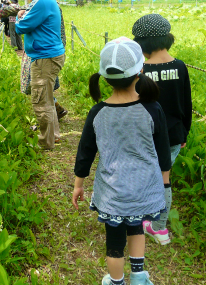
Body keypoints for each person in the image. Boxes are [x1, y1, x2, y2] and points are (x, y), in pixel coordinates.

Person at [72, 37, 171, 285]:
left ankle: (116, 281)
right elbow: (162, 152)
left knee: (114, 243)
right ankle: (138, 277)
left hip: (113, 193)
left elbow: (86, 151)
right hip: (144, 188)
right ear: (140, 71)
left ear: (104, 78)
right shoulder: (152, 108)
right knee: (137, 227)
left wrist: (78, 184)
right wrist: (165, 184)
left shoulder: (98, 112)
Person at [132, 14, 192, 246]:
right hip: (174, 134)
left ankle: (137, 217)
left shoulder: (140, 70)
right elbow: (186, 104)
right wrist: (184, 132)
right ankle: (159, 228)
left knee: (143, 175)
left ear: (143, 44)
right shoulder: (180, 66)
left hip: (143, 134)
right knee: (163, 178)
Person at [0, 0, 69, 120]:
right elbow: (13, 10)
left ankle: (48, 126)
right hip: (46, 52)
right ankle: (53, 118)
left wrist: (19, 17)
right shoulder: (45, 3)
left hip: (43, 54)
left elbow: (21, 24)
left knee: (39, 88)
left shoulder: (45, 5)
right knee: (43, 87)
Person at [15, 0, 65, 150]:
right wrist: (23, 15)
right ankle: (54, 136)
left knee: (41, 101)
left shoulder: (42, 1)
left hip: (45, 58)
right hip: (48, 56)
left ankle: (45, 143)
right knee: (47, 98)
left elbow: (21, 27)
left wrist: (20, 17)